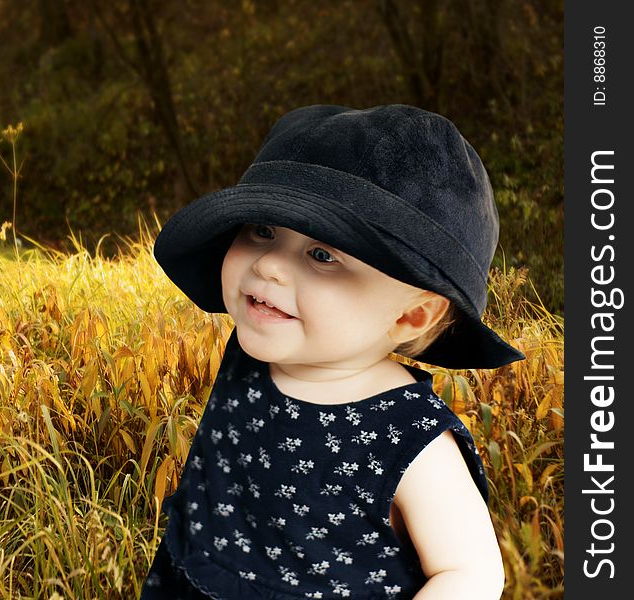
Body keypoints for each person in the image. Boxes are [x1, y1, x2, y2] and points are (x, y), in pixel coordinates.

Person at [140, 104, 525, 599]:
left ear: (410, 316)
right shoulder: (255, 352)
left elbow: (470, 574)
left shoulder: (413, 441)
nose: (270, 267)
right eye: (262, 230)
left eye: (322, 255)